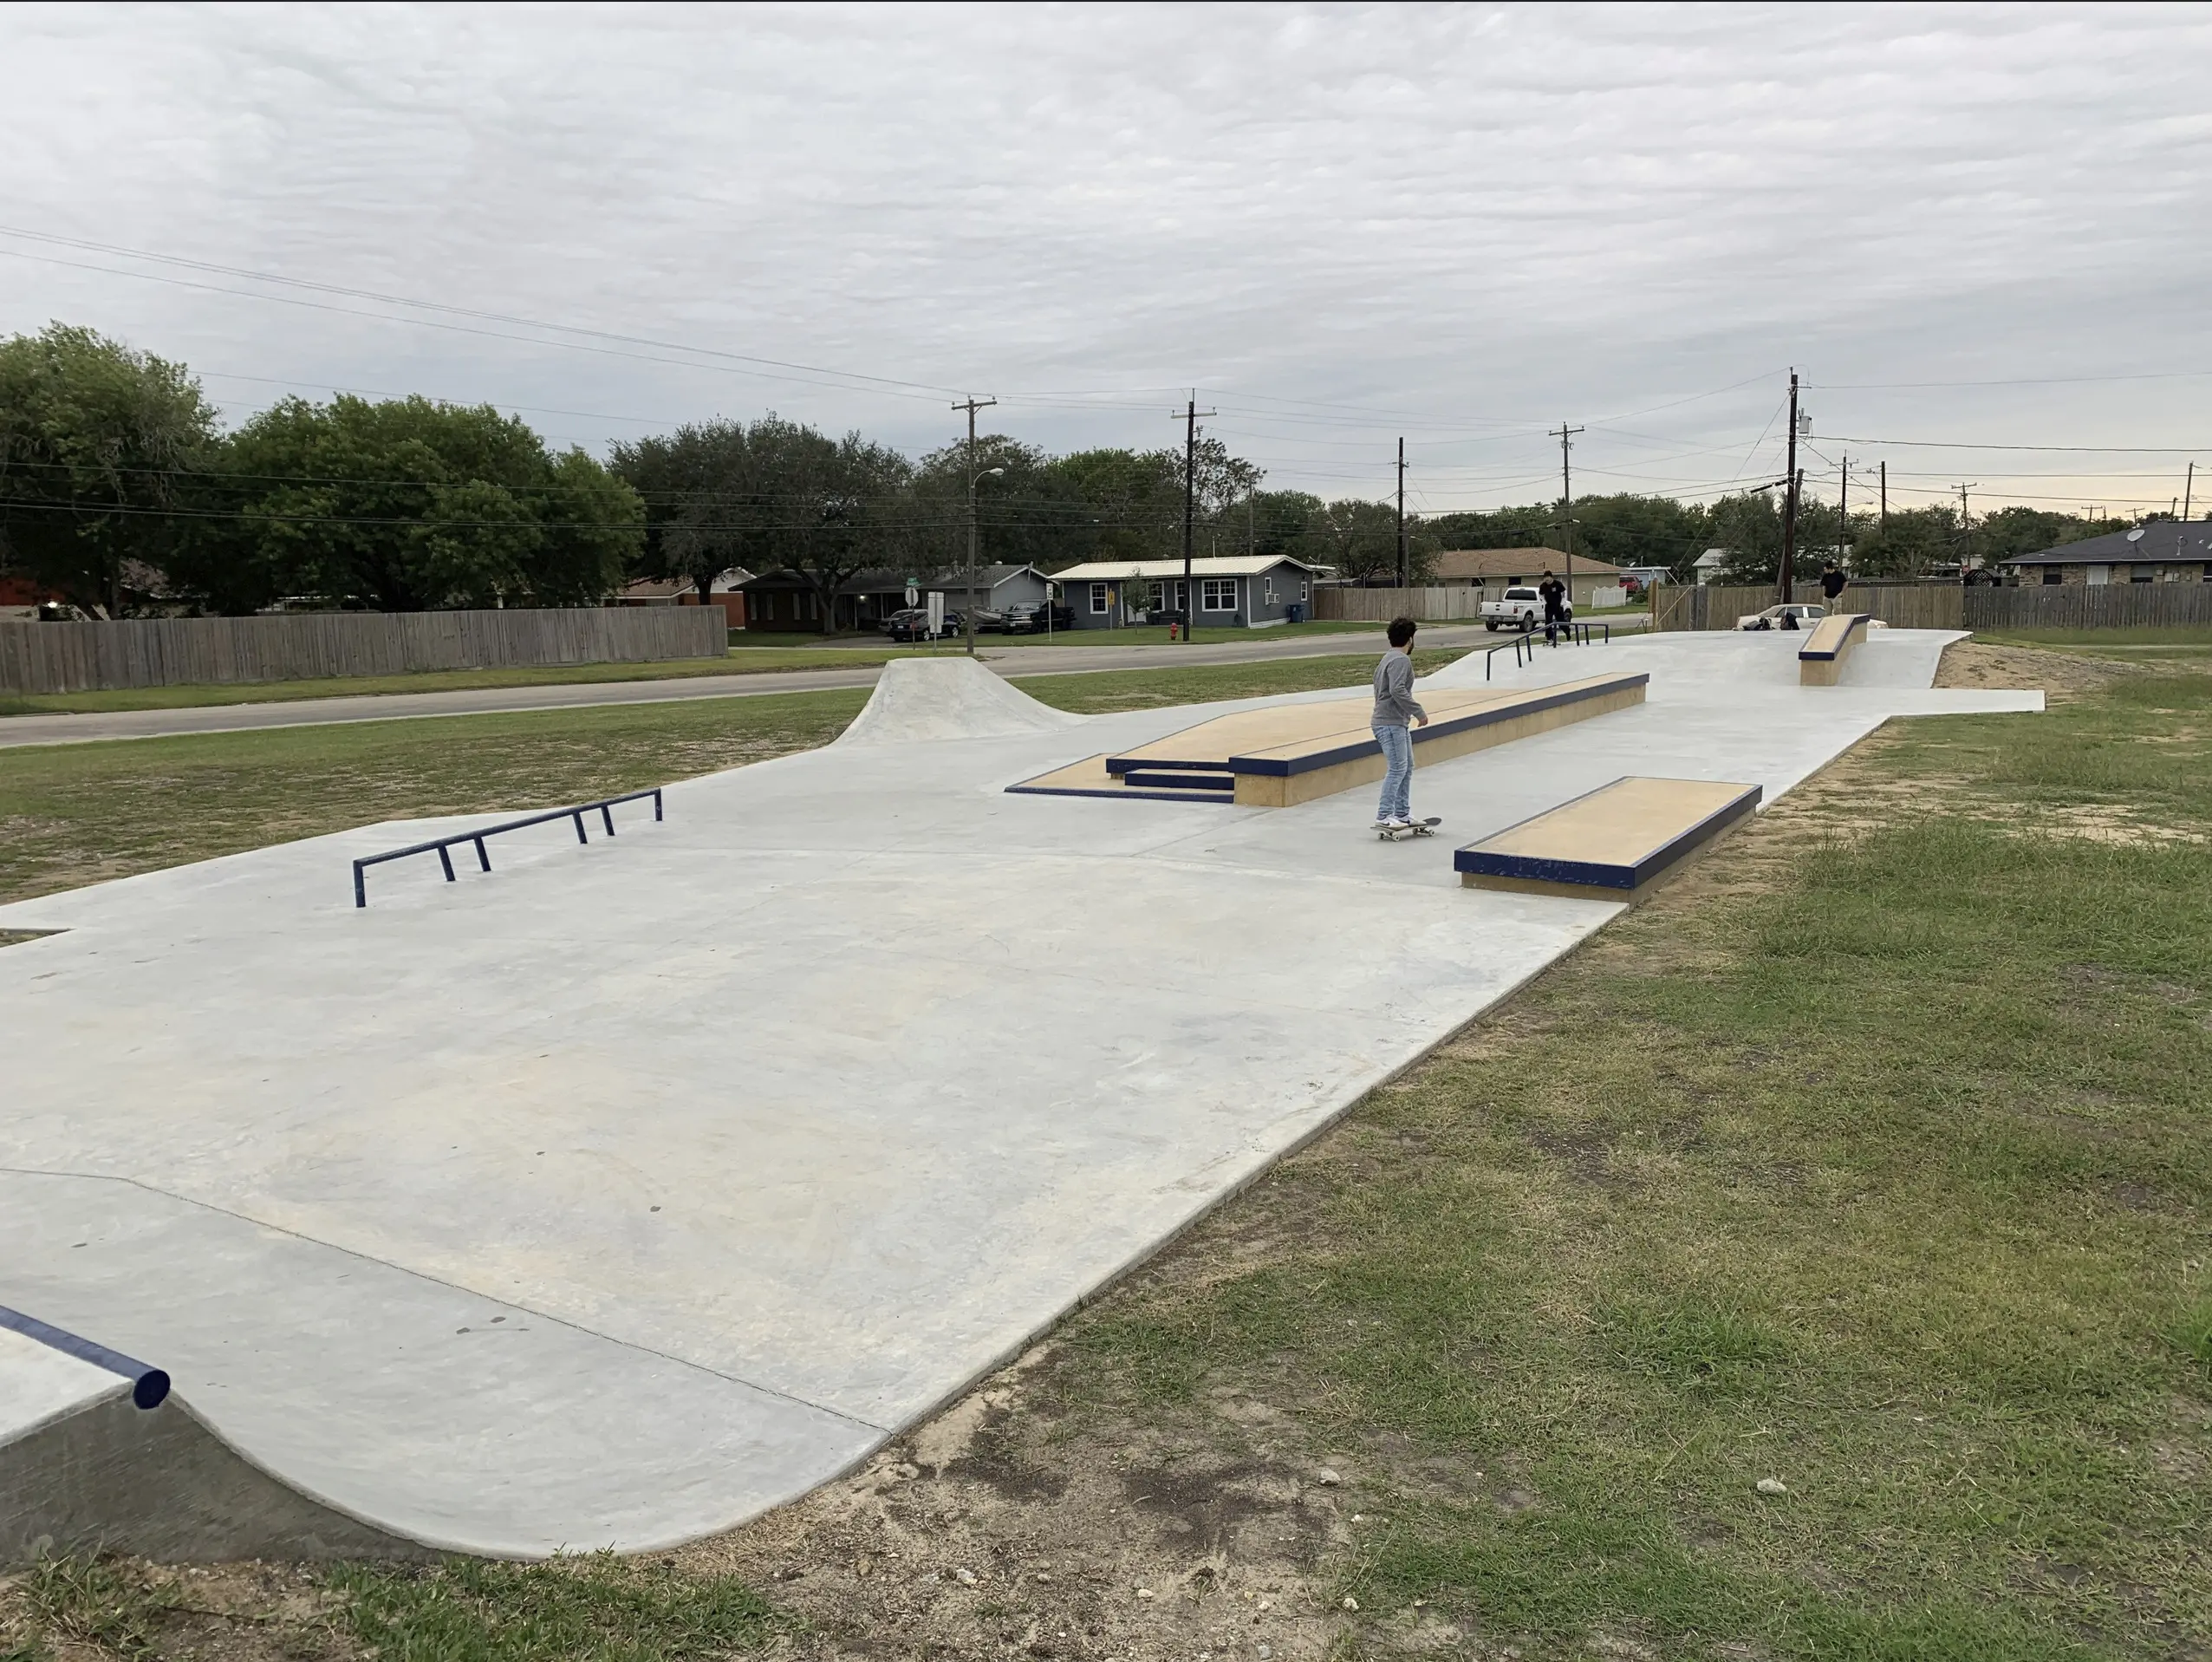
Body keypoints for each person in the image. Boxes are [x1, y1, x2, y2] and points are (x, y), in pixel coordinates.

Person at [1371, 616, 1428, 831]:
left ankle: (1402, 813)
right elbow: (1397, 690)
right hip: (1389, 722)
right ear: (1410, 640)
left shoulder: (1387, 658)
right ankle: (1384, 815)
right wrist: (1418, 712)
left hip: (1395, 722)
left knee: (1407, 767)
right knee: (1397, 769)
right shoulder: (1401, 660)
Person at [1538, 570, 1569, 642]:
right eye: (1545, 578)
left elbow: (1564, 593)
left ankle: (1567, 631)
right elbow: (1541, 595)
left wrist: (1562, 603)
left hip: (1558, 605)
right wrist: (1544, 602)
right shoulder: (1543, 586)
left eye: (1547, 577)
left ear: (1551, 577)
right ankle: (1549, 637)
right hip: (1548, 606)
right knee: (1548, 622)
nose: (1546, 579)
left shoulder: (1558, 584)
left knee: (1561, 622)